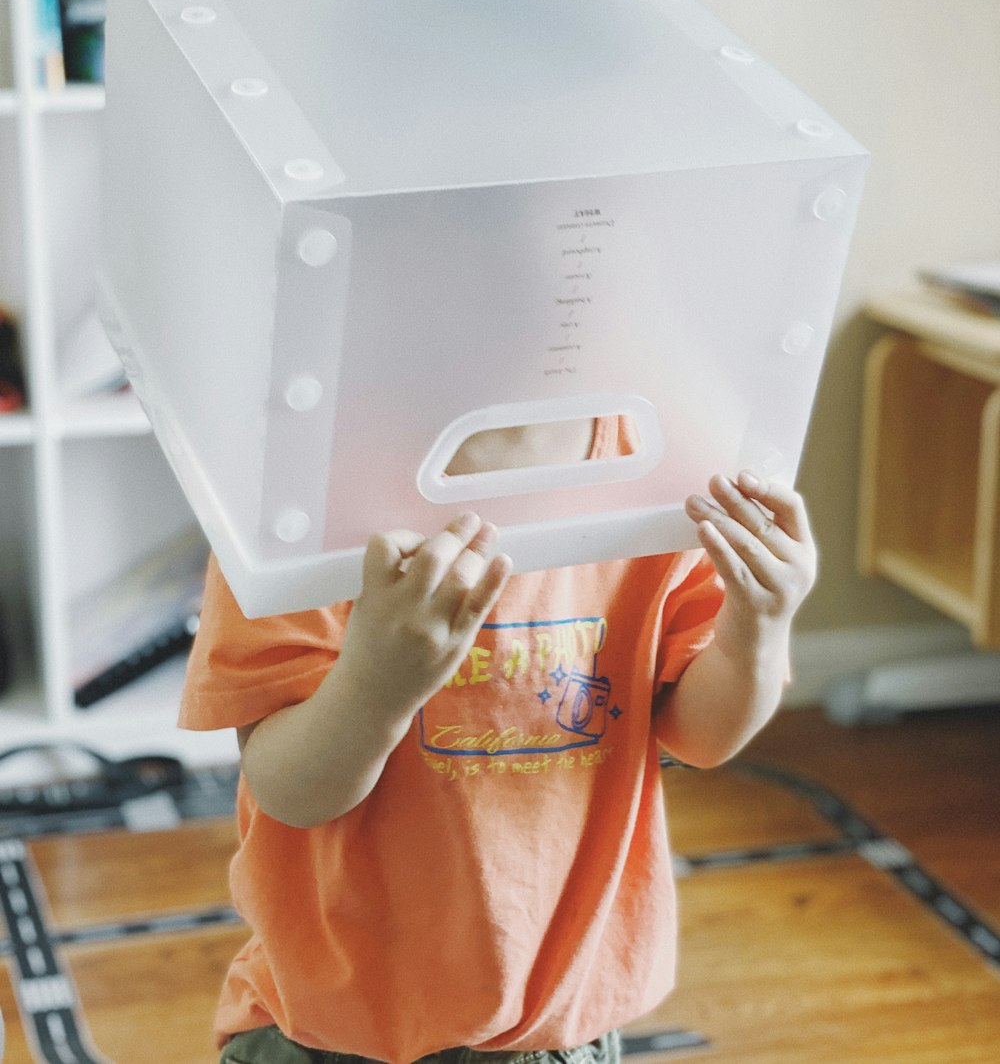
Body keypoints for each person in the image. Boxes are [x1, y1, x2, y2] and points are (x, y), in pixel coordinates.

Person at [179, 412, 816, 1064]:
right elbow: (291, 789)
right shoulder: (303, 491)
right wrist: (374, 686)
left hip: (554, 1024)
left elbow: (702, 735)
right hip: (333, 1031)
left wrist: (757, 629)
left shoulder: (668, 462)